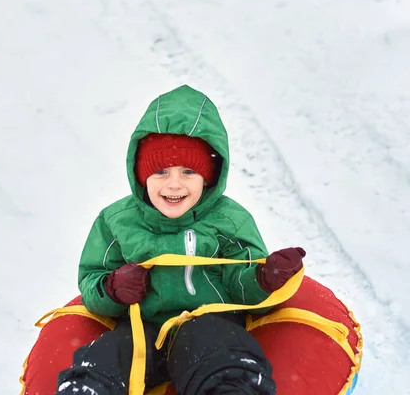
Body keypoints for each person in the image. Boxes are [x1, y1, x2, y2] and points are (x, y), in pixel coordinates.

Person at [55, 85, 305, 395]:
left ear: (208, 177)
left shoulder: (229, 220)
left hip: (209, 324)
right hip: (141, 328)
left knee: (220, 351)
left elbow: (243, 286)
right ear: (142, 176)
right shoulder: (116, 221)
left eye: (188, 171)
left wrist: (264, 278)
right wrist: (113, 288)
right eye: (160, 171)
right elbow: (91, 282)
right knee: (106, 356)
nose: (174, 184)